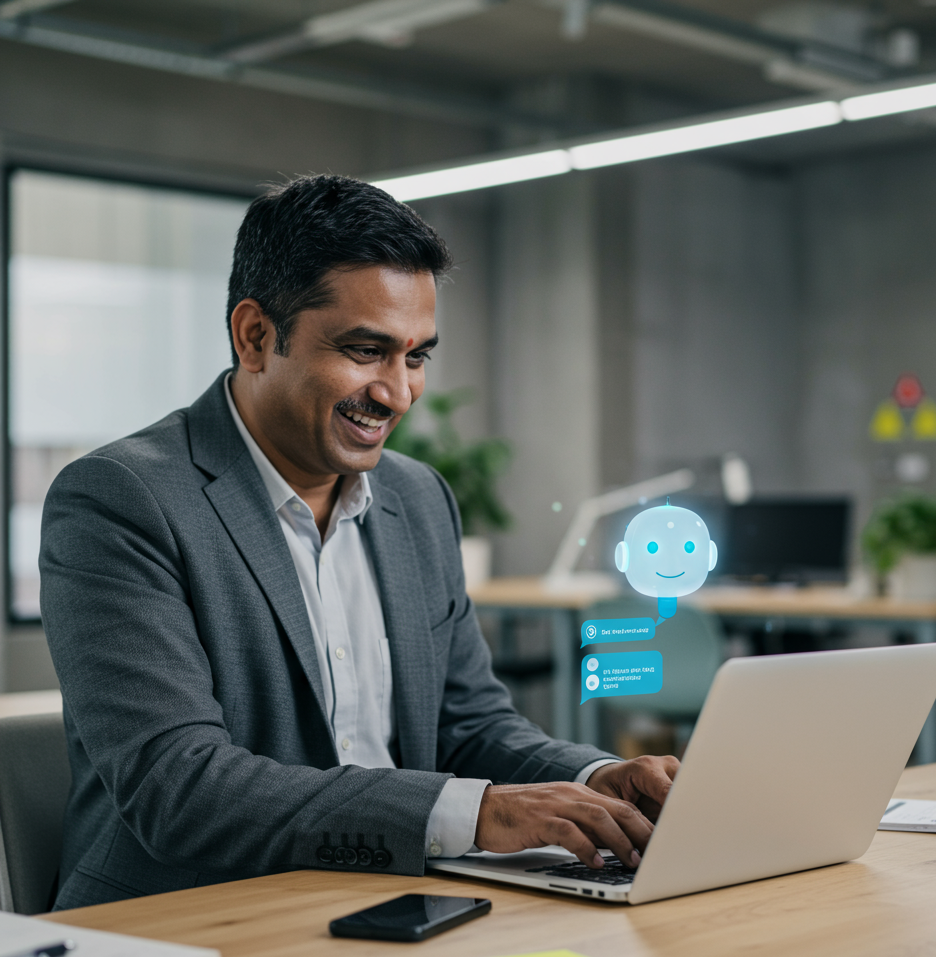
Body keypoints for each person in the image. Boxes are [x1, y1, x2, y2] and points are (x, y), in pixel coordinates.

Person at [40, 175, 677, 911]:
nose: (399, 393)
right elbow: (179, 787)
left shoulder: (418, 499)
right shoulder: (122, 499)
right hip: (190, 919)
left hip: (392, 900)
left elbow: (469, 726)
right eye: (366, 350)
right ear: (255, 336)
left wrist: (599, 779)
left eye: (415, 356)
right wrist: (475, 814)